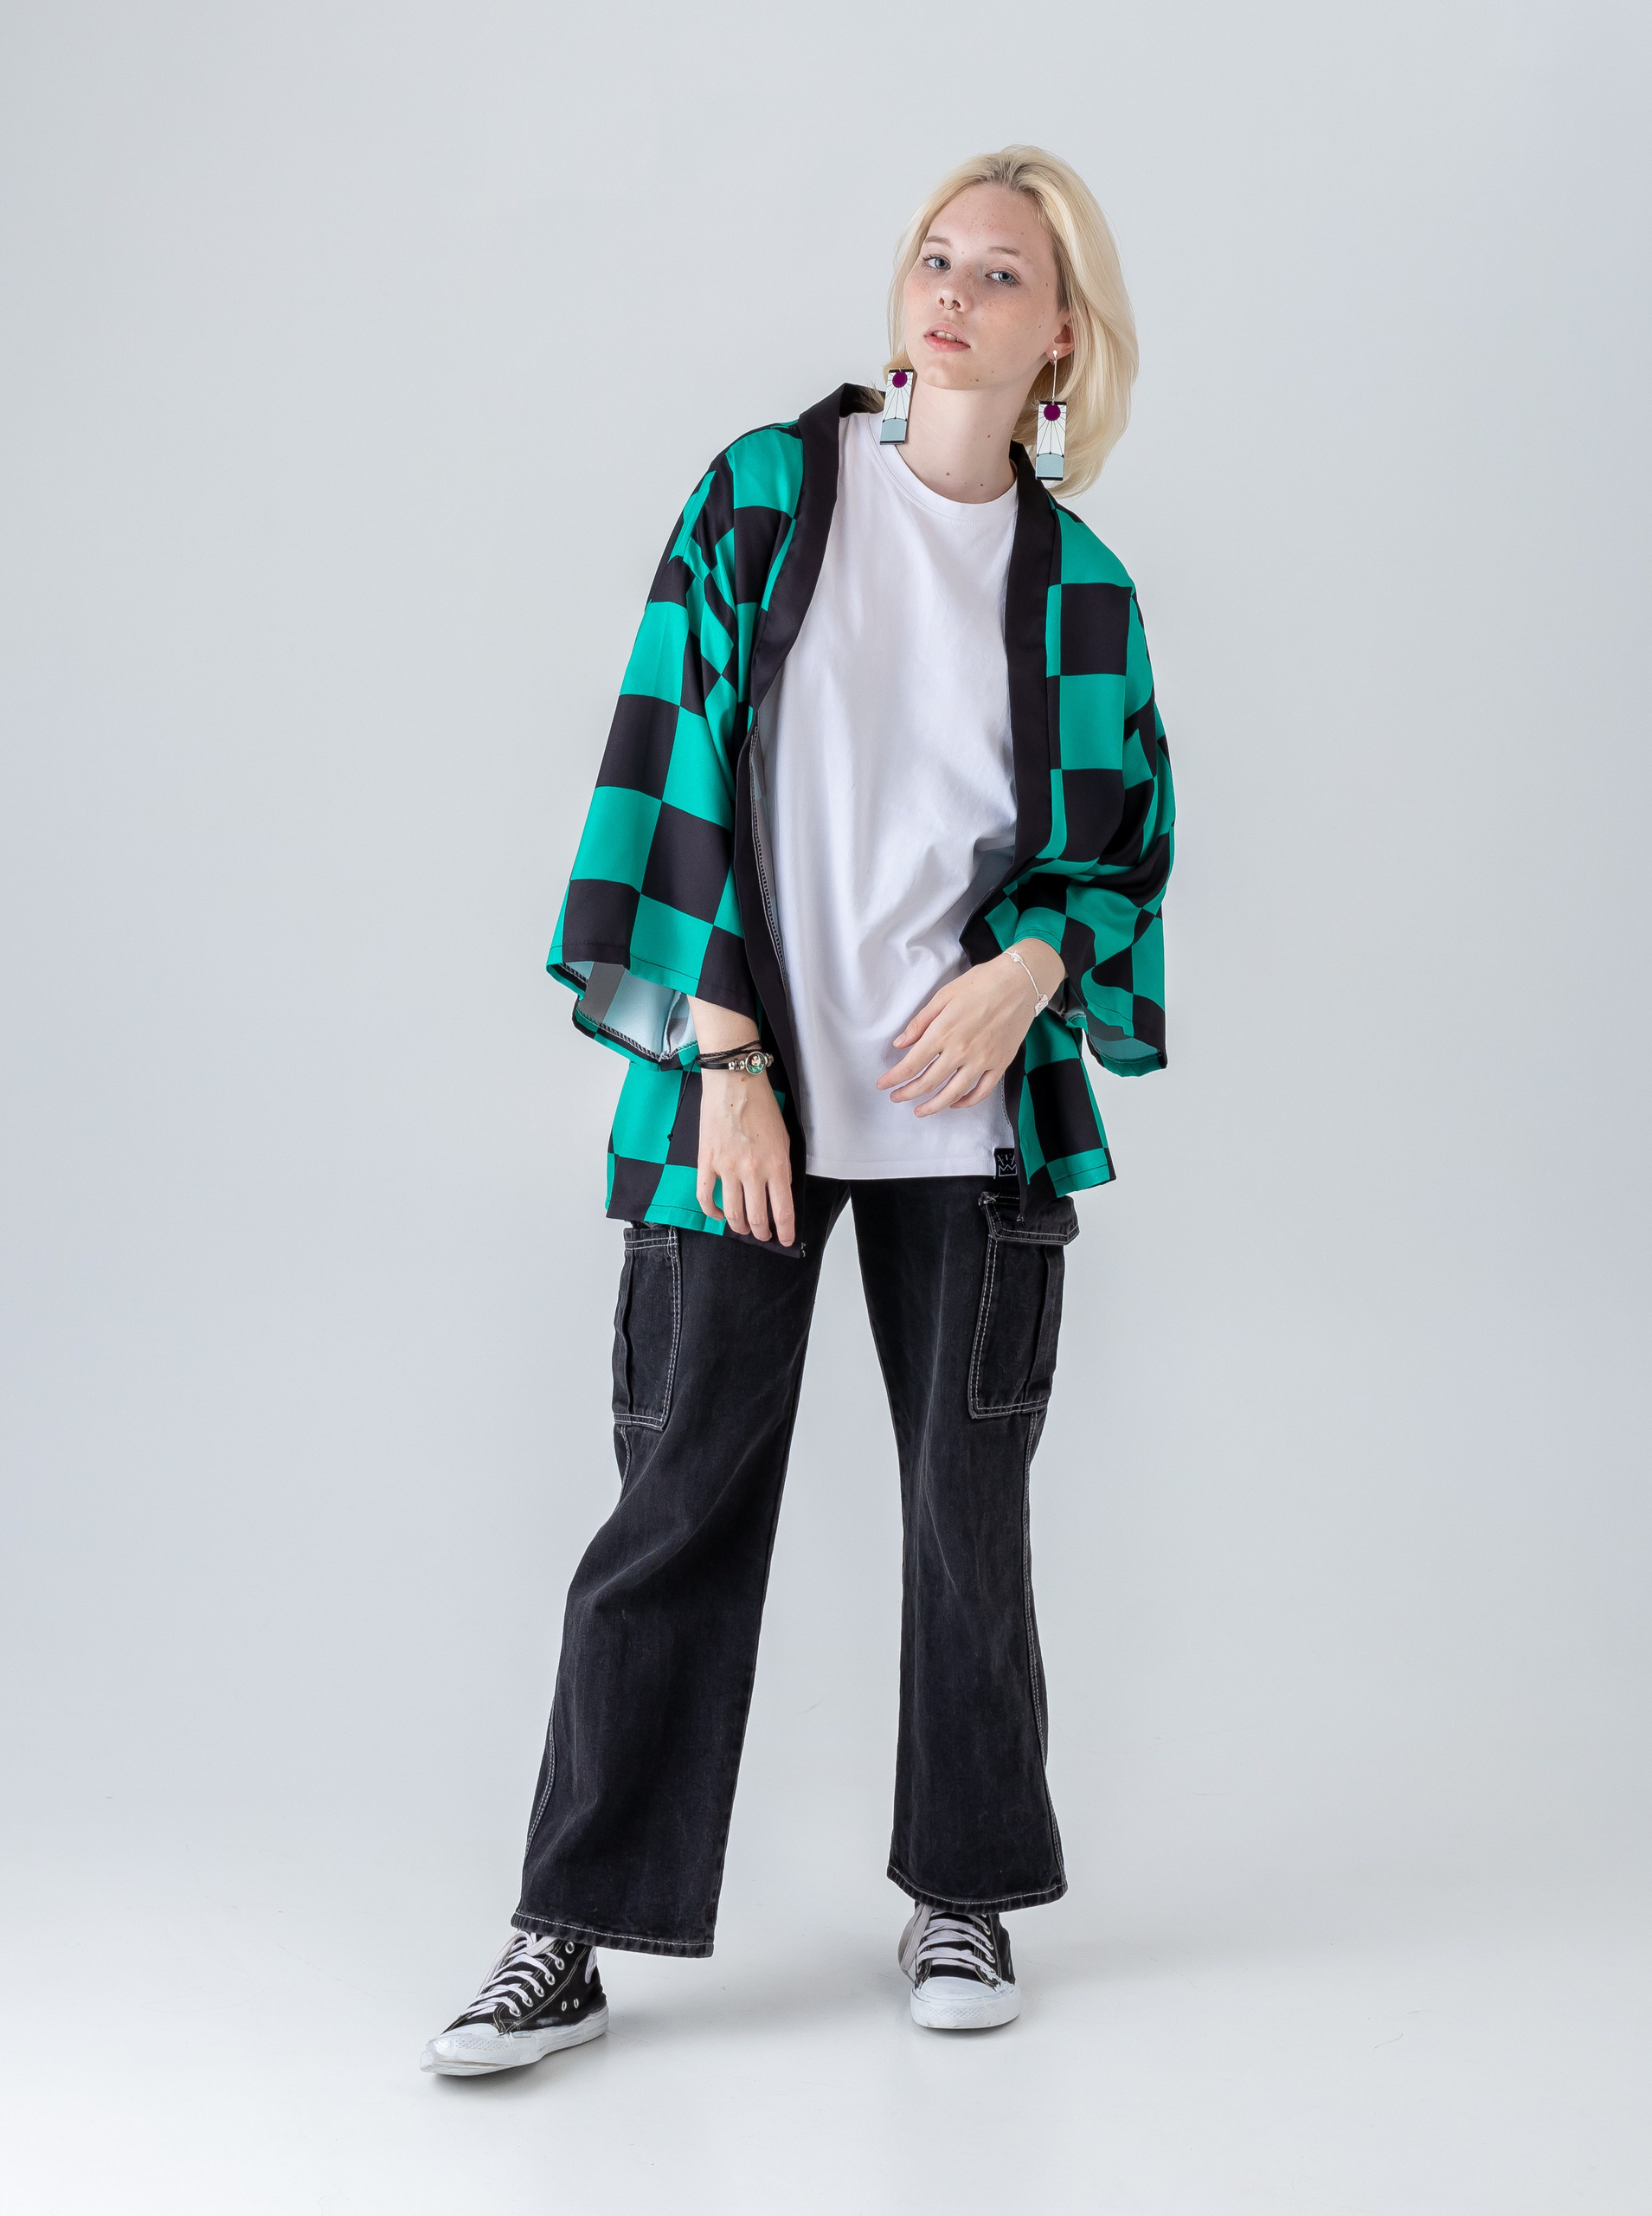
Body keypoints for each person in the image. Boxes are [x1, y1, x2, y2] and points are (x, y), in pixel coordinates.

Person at [421, 144, 1174, 2076]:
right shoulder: (769, 494)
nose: (953, 295)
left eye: (1001, 275)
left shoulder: (1084, 594)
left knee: (966, 1517)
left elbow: (1122, 849)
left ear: (1063, 337)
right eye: (936, 258)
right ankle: (564, 1928)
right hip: (743, 1094)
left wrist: (1029, 968)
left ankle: (963, 1886)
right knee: (677, 1498)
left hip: (970, 1121)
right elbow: (666, 762)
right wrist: (728, 1063)